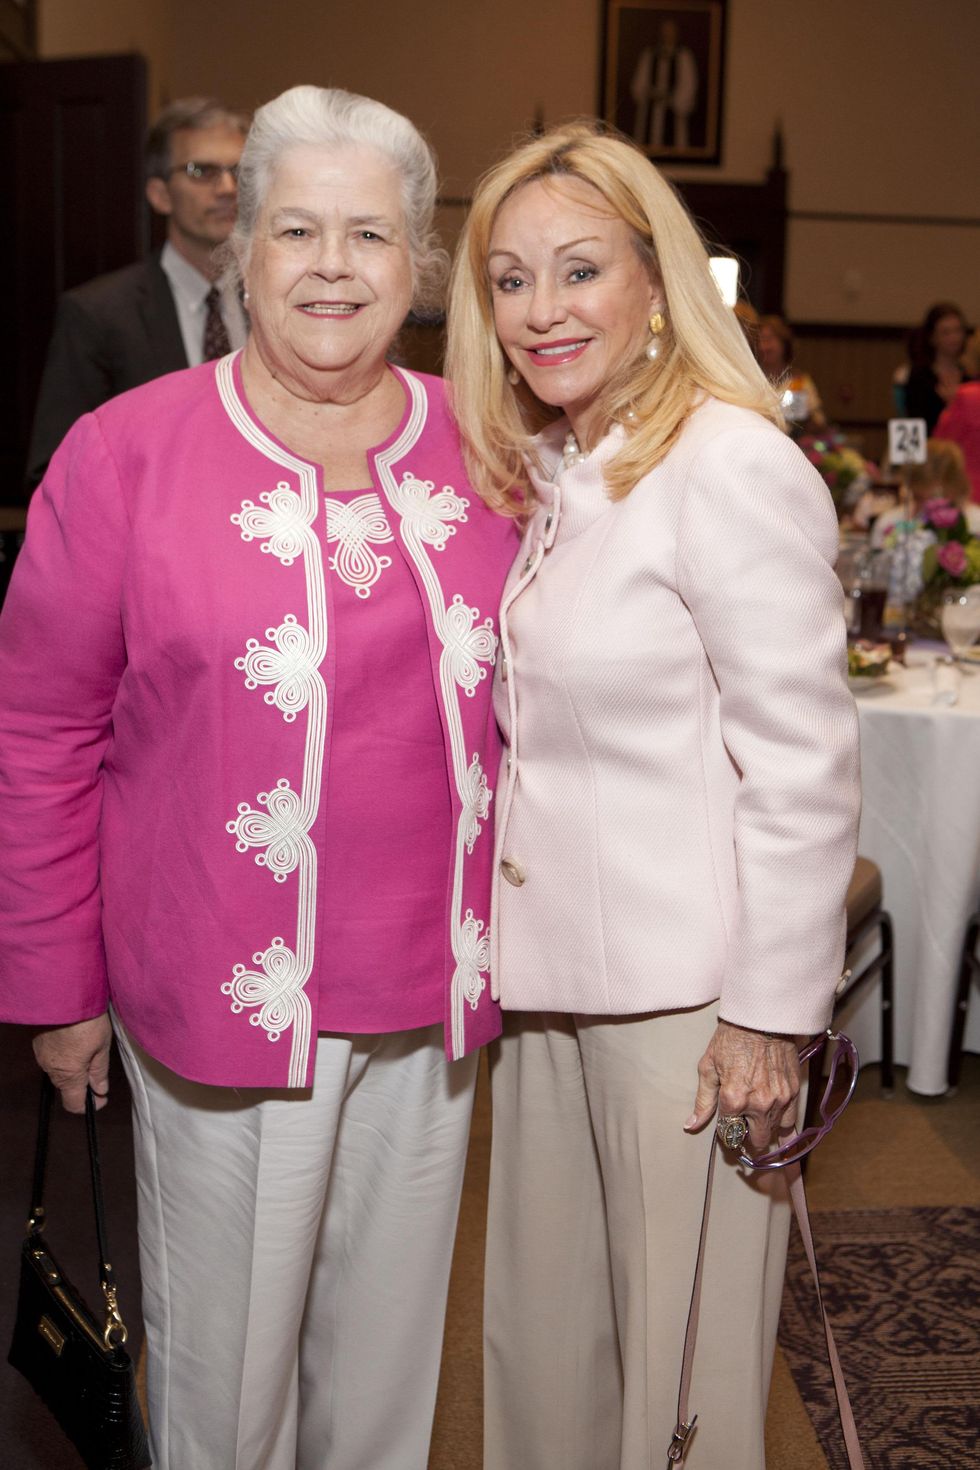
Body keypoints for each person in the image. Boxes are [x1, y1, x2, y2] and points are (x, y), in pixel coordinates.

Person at [0, 84, 517, 1470]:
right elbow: (39, 732)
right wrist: (57, 987)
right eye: (296, 229)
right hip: (218, 1002)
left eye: (370, 233)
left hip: (436, 992)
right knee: (225, 1394)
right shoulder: (125, 453)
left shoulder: (494, 447)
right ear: (241, 249)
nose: (332, 266)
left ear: (420, 261)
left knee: (388, 1374)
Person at [446, 122, 860, 1470]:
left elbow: (801, 763)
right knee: (545, 1351)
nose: (542, 310)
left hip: (689, 1014)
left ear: (654, 276)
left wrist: (768, 1016)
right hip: (554, 985)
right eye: (510, 280)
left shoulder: (727, 462)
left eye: (578, 270)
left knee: (686, 1385)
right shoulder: (567, 468)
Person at [25, 97, 249, 490]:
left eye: (238, 172)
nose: (227, 188)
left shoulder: (279, 303)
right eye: (201, 171)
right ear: (160, 194)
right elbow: (55, 472)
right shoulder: (98, 314)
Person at [630, 18, 699, 152]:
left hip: (672, 109)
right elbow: (638, 83)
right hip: (651, 110)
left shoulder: (684, 56)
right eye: (665, 32)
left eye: (670, 32)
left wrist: (672, 97)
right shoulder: (649, 54)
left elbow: (689, 85)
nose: (667, 35)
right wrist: (650, 93)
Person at [904, 301, 972, 436]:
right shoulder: (920, 376)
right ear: (932, 337)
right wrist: (952, 406)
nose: (954, 338)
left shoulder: (970, 375)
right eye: (946, 332)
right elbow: (915, 425)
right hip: (931, 444)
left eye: (957, 331)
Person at [756, 313, 827, 429]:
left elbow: (818, 422)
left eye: (770, 340)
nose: (765, 347)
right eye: (761, 340)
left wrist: (804, 414)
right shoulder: (751, 379)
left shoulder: (798, 380)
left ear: (784, 344)